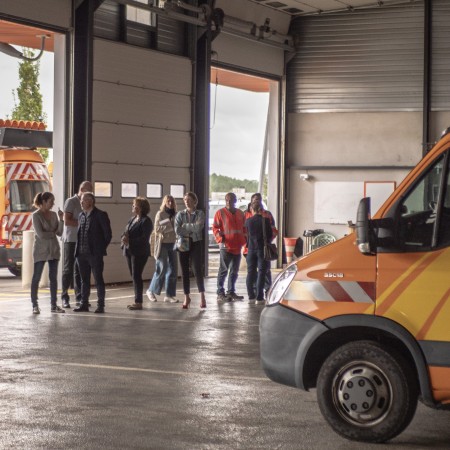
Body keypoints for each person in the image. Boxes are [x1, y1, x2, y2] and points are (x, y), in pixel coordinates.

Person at [74, 192, 112, 313]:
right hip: (81, 253)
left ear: (90, 201)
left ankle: (101, 305)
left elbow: (108, 235)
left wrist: (99, 249)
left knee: (98, 279)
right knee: (84, 280)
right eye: (81, 200)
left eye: (83, 200)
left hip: (94, 254)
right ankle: (84, 304)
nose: (81, 202)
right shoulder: (81, 215)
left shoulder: (100, 215)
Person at [30, 192, 65, 314]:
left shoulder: (55, 215)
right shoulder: (36, 215)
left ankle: (54, 305)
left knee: (53, 278)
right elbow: (41, 234)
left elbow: (59, 233)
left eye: (53, 201)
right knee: (36, 277)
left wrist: (61, 220)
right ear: (44, 202)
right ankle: (35, 304)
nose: (53, 204)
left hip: (54, 250)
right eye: (51, 201)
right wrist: (53, 233)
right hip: (41, 250)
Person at [61, 180, 93, 308]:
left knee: (79, 269)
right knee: (68, 268)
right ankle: (64, 297)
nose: (90, 194)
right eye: (88, 191)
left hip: (83, 240)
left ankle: (79, 297)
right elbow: (67, 221)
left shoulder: (88, 203)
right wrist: (83, 223)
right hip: (71, 239)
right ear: (82, 190)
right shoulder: (71, 202)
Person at [212, 192, 246, 303]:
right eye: (227, 199)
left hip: (237, 247)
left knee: (234, 271)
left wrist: (245, 241)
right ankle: (220, 293)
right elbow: (215, 228)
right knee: (223, 270)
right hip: (225, 247)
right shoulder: (220, 213)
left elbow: (244, 229)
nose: (228, 202)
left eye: (231, 199)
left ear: (235, 201)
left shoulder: (241, 213)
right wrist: (220, 239)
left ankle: (231, 292)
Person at [175, 191, 206, 309]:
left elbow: (198, 228)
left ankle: (202, 296)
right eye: (185, 200)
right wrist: (191, 228)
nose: (186, 202)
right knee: (184, 271)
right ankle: (186, 296)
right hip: (183, 242)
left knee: (197, 269)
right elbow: (177, 230)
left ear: (195, 201)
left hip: (196, 243)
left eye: (188, 200)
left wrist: (186, 226)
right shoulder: (179, 215)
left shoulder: (200, 214)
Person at [122, 197, 153, 310]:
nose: (132, 207)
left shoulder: (146, 221)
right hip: (129, 251)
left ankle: (138, 301)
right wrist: (123, 238)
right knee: (134, 276)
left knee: (136, 275)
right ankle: (137, 300)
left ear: (140, 208)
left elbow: (144, 238)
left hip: (140, 252)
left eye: (134, 205)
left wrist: (130, 241)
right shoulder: (132, 219)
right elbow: (126, 231)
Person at [146, 195, 179, 303]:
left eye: (172, 201)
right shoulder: (160, 214)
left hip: (173, 244)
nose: (170, 203)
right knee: (162, 268)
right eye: (168, 201)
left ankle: (169, 295)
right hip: (163, 244)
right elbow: (157, 228)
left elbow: (179, 228)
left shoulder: (176, 214)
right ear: (164, 203)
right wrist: (169, 226)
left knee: (173, 270)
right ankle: (151, 290)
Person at [244, 193, 278, 294]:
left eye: (259, 199)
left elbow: (273, 230)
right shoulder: (245, 214)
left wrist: (267, 242)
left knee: (264, 271)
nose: (257, 201)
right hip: (251, 248)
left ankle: (266, 289)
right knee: (255, 272)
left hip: (261, 247)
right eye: (255, 200)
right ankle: (256, 293)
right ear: (251, 201)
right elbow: (243, 232)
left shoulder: (267, 214)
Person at [245, 201, 273, 305]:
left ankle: (251, 295)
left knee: (250, 272)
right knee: (262, 272)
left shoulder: (248, 221)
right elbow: (270, 235)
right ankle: (259, 297)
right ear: (261, 209)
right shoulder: (265, 221)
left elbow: (246, 235)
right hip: (262, 249)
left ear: (252, 210)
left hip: (251, 249)